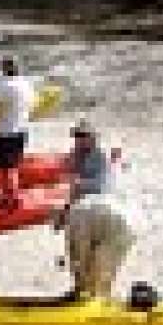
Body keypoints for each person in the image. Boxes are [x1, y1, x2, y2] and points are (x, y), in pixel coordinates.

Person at [53, 120, 134, 300]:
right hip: (98, 210)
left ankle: (89, 296)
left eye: (82, 136)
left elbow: (98, 185)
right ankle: (88, 295)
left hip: (102, 210)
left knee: (92, 260)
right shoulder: (79, 156)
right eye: (76, 136)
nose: (78, 140)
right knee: (87, 260)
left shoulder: (101, 156)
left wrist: (76, 183)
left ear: (93, 138)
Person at [0, 56, 35, 209]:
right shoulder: (26, 84)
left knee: (8, 168)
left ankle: (12, 198)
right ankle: (9, 194)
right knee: (13, 165)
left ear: (6, 69)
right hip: (21, 129)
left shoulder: (5, 85)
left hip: (7, 130)